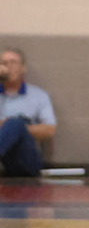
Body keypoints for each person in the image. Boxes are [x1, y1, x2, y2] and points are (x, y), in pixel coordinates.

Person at [0, 48, 56, 177]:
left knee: (16, 123)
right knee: (13, 123)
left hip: (26, 159)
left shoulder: (38, 95)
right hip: (4, 160)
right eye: (4, 63)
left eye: (13, 63)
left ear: (22, 68)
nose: (8, 67)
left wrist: (16, 129)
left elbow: (49, 130)